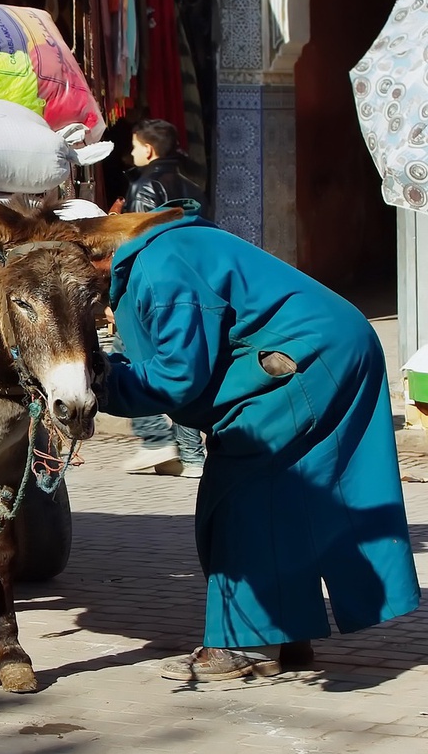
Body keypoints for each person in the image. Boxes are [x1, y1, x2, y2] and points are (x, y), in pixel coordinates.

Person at [70, 199, 420, 681]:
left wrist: (94, 387)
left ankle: (244, 644)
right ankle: (286, 634)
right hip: (326, 349)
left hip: (305, 362)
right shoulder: (168, 244)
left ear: (94, 256)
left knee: (242, 501)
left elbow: (176, 376)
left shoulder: (158, 264)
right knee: (289, 501)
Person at [113, 117, 208, 476]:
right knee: (183, 363)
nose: (132, 153)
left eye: (135, 146)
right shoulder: (192, 185)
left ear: (148, 150)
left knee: (128, 358)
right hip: (190, 286)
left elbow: (136, 244)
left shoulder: (144, 187)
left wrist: (118, 296)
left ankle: (156, 440)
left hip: (151, 290)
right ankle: (190, 453)